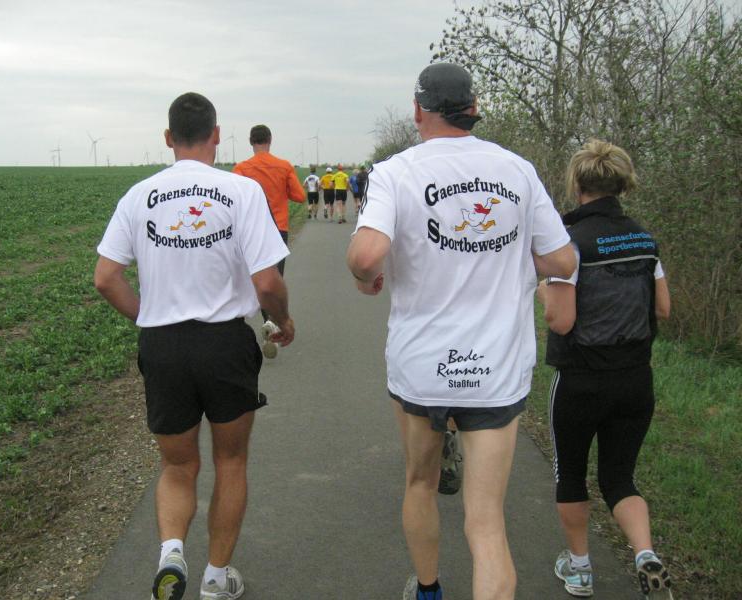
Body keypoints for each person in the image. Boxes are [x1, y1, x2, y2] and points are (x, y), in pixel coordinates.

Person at [347, 62, 576, 600]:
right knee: (486, 520)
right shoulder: (517, 170)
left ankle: (428, 589)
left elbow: (366, 255)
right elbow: (563, 259)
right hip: (495, 370)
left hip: (422, 368)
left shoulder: (395, 172)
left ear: (417, 111)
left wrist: (366, 275)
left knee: (420, 483)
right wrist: (512, 257)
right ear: (472, 109)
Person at [94, 92, 295, 600]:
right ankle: (216, 578)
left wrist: (149, 317)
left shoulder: (138, 196)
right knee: (231, 461)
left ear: (168, 138)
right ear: (216, 135)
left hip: (163, 346)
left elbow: (105, 277)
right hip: (225, 343)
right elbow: (267, 282)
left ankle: (171, 554)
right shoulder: (241, 191)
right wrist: (282, 319)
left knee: (177, 466)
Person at [537, 139, 673, 600]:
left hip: (581, 380)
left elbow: (561, 320)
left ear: (577, 185)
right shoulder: (644, 239)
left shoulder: (568, 244)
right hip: (636, 380)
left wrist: (544, 291)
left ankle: (579, 570)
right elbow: (663, 309)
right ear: (623, 184)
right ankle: (645, 554)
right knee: (620, 478)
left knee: (571, 475)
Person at [233, 124, 304, 359]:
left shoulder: (241, 168)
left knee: (249, 280)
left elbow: (233, 200)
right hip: (277, 229)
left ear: (250, 141)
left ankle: (246, 326)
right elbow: (300, 196)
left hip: (248, 232)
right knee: (272, 279)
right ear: (270, 140)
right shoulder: (284, 166)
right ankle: (272, 325)